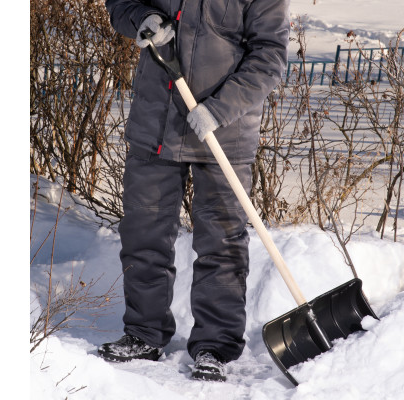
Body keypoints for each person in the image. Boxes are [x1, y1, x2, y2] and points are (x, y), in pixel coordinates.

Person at [99, 0, 289, 382]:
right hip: (155, 126)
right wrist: (143, 18)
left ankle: (215, 345)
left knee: (222, 243)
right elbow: (121, 3)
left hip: (225, 132)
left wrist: (219, 110)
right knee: (143, 235)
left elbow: (269, 56)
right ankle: (144, 332)